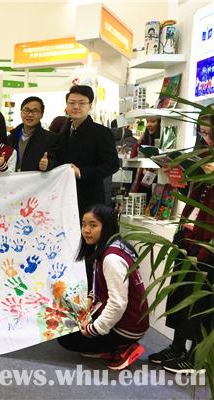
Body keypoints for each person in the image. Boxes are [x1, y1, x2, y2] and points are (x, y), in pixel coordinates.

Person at [148, 112, 213, 374]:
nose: (206, 138)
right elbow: (189, 191)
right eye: (203, 133)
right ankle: (177, 347)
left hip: (207, 239)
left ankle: (197, 355)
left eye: (210, 133)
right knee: (179, 291)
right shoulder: (203, 154)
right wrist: (176, 174)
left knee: (200, 298)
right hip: (189, 230)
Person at [58, 204, 149, 370]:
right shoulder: (113, 247)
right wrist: (89, 300)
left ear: (107, 226)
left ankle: (121, 349)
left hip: (127, 327)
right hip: (128, 320)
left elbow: (117, 304)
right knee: (67, 320)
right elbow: (100, 285)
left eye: (93, 225)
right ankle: (109, 346)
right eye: (84, 224)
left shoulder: (111, 258)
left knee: (66, 337)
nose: (86, 230)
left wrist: (93, 329)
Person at [55, 85, 119, 215]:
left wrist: (81, 172)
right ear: (66, 106)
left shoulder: (101, 133)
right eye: (72, 103)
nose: (76, 107)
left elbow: (112, 165)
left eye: (82, 103)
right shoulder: (62, 133)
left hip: (90, 200)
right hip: (63, 198)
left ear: (90, 106)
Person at [6, 96, 58, 172]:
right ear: (21, 113)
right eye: (26, 110)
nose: (30, 114)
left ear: (42, 114)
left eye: (35, 111)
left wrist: (47, 165)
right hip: (12, 179)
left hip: (36, 179)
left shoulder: (50, 139)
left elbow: (55, 162)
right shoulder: (10, 138)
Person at [129, 116, 160, 197]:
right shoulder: (145, 138)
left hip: (158, 178)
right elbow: (133, 156)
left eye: (153, 121)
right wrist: (139, 140)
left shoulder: (160, 139)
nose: (149, 124)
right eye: (147, 121)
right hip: (144, 178)